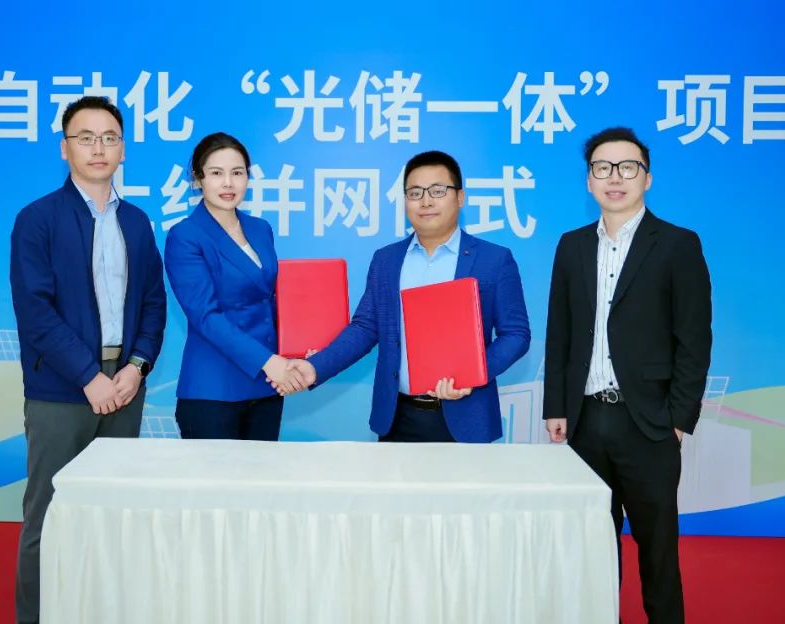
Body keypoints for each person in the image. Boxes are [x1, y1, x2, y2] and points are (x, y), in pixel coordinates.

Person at [543, 126, 712, 624]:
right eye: (602, 168)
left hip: (649, 423)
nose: (614, 177)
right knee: (592, 550)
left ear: (647, 177)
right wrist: (556, 405)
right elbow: (559, 332)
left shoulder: (677, 244)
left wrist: (677, 419)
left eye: (627, 167)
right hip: (585, 419)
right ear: (589, 181)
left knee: (657, 551)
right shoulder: (572, 246)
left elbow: (694, 339)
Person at [9, 95, 167, 624]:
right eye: (86, 137)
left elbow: (153, 303)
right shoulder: (37, 220)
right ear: (65, 148)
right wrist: (87, 376)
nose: (98, 148)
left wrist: (136, 367)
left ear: (123, 149)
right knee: (49, 519)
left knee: (112, 517)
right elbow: (36, 312)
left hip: (124, 389)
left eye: (109, 138)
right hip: (60, 390)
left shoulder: (138, 222)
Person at [282, 150, 531, 443]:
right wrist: (315, 367)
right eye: (415, 193)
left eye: (437, 191)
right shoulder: (386, 260)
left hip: (466, 418)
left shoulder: (493, 260)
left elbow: (516, 335)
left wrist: (474, 375)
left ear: (460, 197)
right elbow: (365, 327)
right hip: (397, 417)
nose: (426, 201)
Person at [164, 132, 301, 440]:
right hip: (214, 389)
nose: (228, 183)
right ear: (198, 179)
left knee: (264, 473)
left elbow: (270, 301)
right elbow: (206, 317)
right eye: (216, 173)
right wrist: (268, 361)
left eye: (237, 173)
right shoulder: (185, 236)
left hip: (267, 384)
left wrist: (301, 348)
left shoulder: (260, 229)